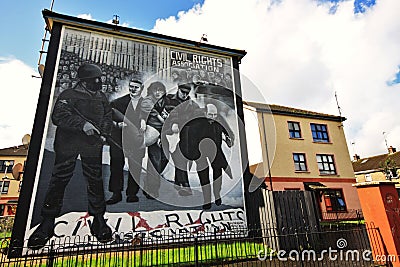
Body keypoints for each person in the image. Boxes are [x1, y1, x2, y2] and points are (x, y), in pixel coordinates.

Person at [28, 63, 113, 249]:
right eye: (94, 80)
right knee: (59, 180)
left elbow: (107, 117)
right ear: (84, 81)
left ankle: (98, 219)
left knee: (95, 181)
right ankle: (47, 222)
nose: (99, 82)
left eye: (99, 78)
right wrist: (82, 125)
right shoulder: (68, 95)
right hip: (68, 144)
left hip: (92, 146)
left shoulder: (101, 97)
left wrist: (105, 133)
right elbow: (59, 115)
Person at [106, 78, 145, 204]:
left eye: (136, 87)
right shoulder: (117, 103)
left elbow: (153, 120)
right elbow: (107, 120)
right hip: (119, 139)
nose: (133, 89)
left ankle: (132, 194)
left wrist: (146, 123)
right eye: (131, 86)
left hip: (137, 141)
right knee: (116, 165)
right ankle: (116, 194)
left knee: (135, 167)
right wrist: (117, 125)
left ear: (142, 88)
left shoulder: (147, 104)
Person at [191, 103, 234, 210]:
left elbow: (230, 133)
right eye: (210, 115)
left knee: (217, 172)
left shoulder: (219, 119)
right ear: (205, 113)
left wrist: (229, 140)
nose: (213, 117)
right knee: (203, 175)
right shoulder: (197, 120)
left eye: (215, 115)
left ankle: (217, 194)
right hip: (200, 152)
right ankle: (207, 200)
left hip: (215, 151)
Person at [164, 83, 200, 196]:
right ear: (178, 89)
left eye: (187, 93)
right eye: (182, 92)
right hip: (166, 133)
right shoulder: (168, 99)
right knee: (161, 161)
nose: (184, 95)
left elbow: (197, 118)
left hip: (184, 136)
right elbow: (165, 111)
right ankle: (177, 182)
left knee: (180, 159)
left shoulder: (193, 105)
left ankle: (184, 184)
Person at [140, 81, 168, 199]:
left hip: (163, 133)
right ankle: (152, 190)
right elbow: (153, 113)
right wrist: (162, 118)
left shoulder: (165, 101)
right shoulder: (147, 100)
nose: (157, 92)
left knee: (165, 159)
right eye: (155, 90)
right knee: (154, 161)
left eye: (160, 90)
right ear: (151, 90)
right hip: (151, 132)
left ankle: (150, 181)